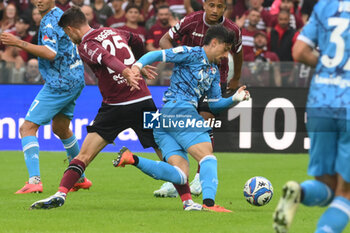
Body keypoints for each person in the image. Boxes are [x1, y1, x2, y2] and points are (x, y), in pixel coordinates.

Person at [29, 7, 202, 211]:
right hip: (143, 100)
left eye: (67, 33)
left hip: (116, 106)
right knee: (164, 152)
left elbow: (105, 58)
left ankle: (60, 194)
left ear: (70, 29)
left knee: (85, 155)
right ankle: (188, 202)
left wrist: (127, 71)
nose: (69, 37)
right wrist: (138, 64)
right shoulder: (113, 31)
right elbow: (136, 39)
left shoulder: (86, 43)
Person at [114, 24, 250, 212]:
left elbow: (214, 103)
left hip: (165, 120)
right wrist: (137, 66)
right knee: (207, 158)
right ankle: (210, 204)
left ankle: (132, 159)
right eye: (225, 50)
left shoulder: (213, 71)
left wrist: (234, 99)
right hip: (180, 110)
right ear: (215, 42)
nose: (226, 55)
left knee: (180, 175)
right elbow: (158, 55)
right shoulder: (191, 53)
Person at [273, 0, 350, 232]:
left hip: (321, 100)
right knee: (345, 192)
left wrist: (330, 70)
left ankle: (300, 191)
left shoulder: (325, 6)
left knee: (327, 185)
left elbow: (299, 51)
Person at [0, 0, 91, 194]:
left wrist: (18, 42)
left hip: (60, 82)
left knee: (27, 128)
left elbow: (50, 53)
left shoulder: (49, 21)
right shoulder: (61, 14)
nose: (39, 1)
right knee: (60, 128)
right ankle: (79, 178)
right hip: (75, 78)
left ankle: (34, 181)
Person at [156, 0, 242, 198]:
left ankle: (198, 178)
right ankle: (177, 178)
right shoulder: (191, 21)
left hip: (214, 79)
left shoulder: (232, 30)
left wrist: (236, 77)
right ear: (204, 4)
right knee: (179, 127)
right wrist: (178, 61)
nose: (215, 10)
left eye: (219, 6)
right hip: (186, 84)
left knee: (204, 124)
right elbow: (164, 41)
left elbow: (238, 54)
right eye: (211, 5)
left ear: (225, 8)